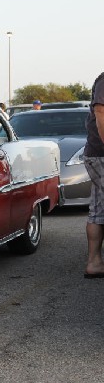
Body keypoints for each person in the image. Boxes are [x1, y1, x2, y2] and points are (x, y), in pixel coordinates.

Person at [83, 72, 104, 278]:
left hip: (97, 154)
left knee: (99, 209)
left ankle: (94, 263)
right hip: (101, 155)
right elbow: (101, 115)